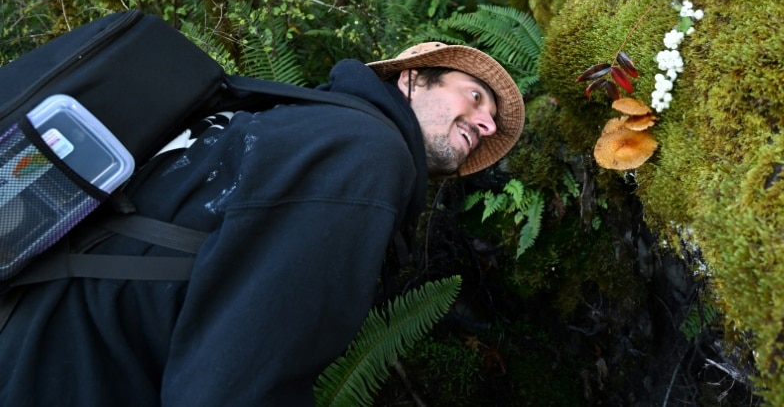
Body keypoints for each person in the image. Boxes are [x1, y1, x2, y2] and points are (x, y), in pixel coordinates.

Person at [0, 42, 525, 406]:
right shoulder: (363, 155)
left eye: (493, 123)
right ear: (412, 77)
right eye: (476, 96)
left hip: (38, 343)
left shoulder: (290, 119)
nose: (486, 123)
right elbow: (237, 382)